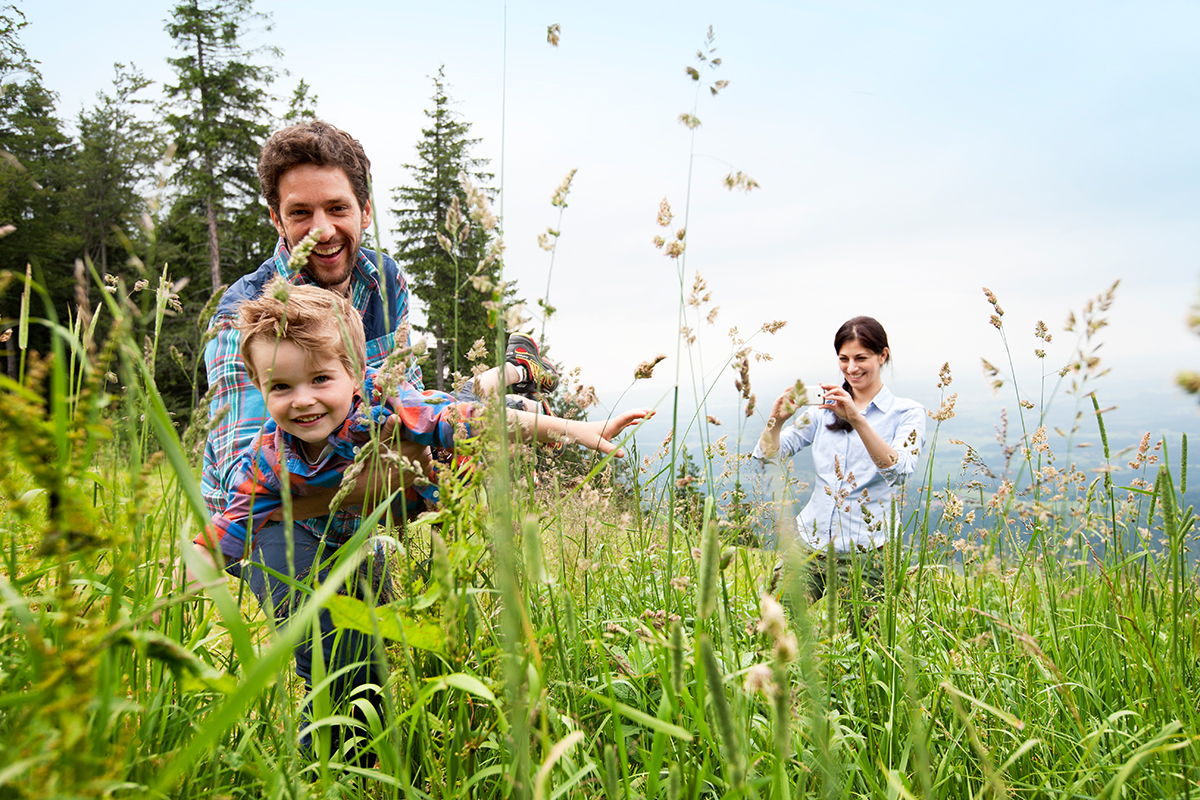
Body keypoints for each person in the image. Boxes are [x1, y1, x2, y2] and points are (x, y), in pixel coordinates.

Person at [754, 316, 925, 621]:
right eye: (844, 359)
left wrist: (856, 418)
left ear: (882, 355)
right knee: (774, 624)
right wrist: (777, 420)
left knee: (864, 646)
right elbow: (769, 455)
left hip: (869, 552)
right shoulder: (824, 410)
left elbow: (899, 471)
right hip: (810, 543)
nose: (851, 368)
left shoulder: (907, 413)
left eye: (861, 358)